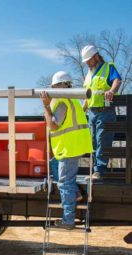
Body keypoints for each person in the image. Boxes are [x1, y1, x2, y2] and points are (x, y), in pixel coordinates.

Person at [40, 71, 93, 229]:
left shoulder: (62, 101)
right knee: (54, 165)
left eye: (55, 86)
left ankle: (68, 221)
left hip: (69, 148)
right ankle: (75, 194)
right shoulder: (72, 99)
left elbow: (53, 125)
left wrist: (46, 106)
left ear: (62, 86)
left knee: (64, 183)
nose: (53, 89)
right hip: (71, 146)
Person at [81, 45, 122, 180]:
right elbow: (88, 96)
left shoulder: (108, 67)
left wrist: (112, 91)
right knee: (92, 141)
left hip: (105, 110)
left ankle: (100, 171)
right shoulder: (89, 74)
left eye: (88, 60)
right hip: (92, 112)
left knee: (102, 139)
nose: (87, 63)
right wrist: (82, 111)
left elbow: (117, 80)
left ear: (96, 57)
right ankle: (95, 170)